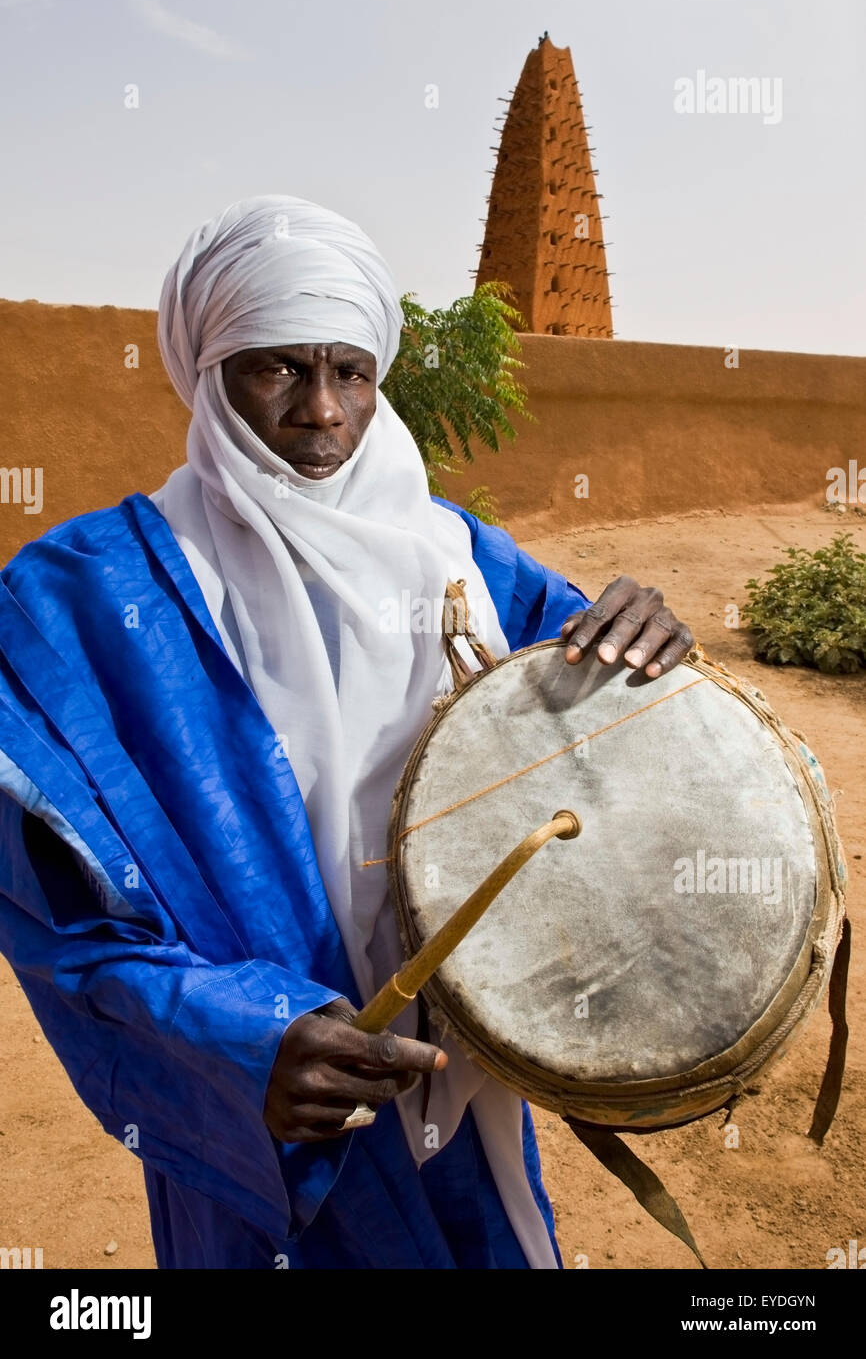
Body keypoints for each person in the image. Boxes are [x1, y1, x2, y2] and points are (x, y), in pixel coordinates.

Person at [0, 196, 694, 1269]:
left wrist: (643, 633)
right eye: (275, 368)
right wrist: (242, 1038)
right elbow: (56, 921)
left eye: (351, 372)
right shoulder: (75, 603)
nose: (321, 413)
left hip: (457, 1092)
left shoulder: (457, 558)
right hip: (276, 1123)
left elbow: (598, 728)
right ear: (205, 370)